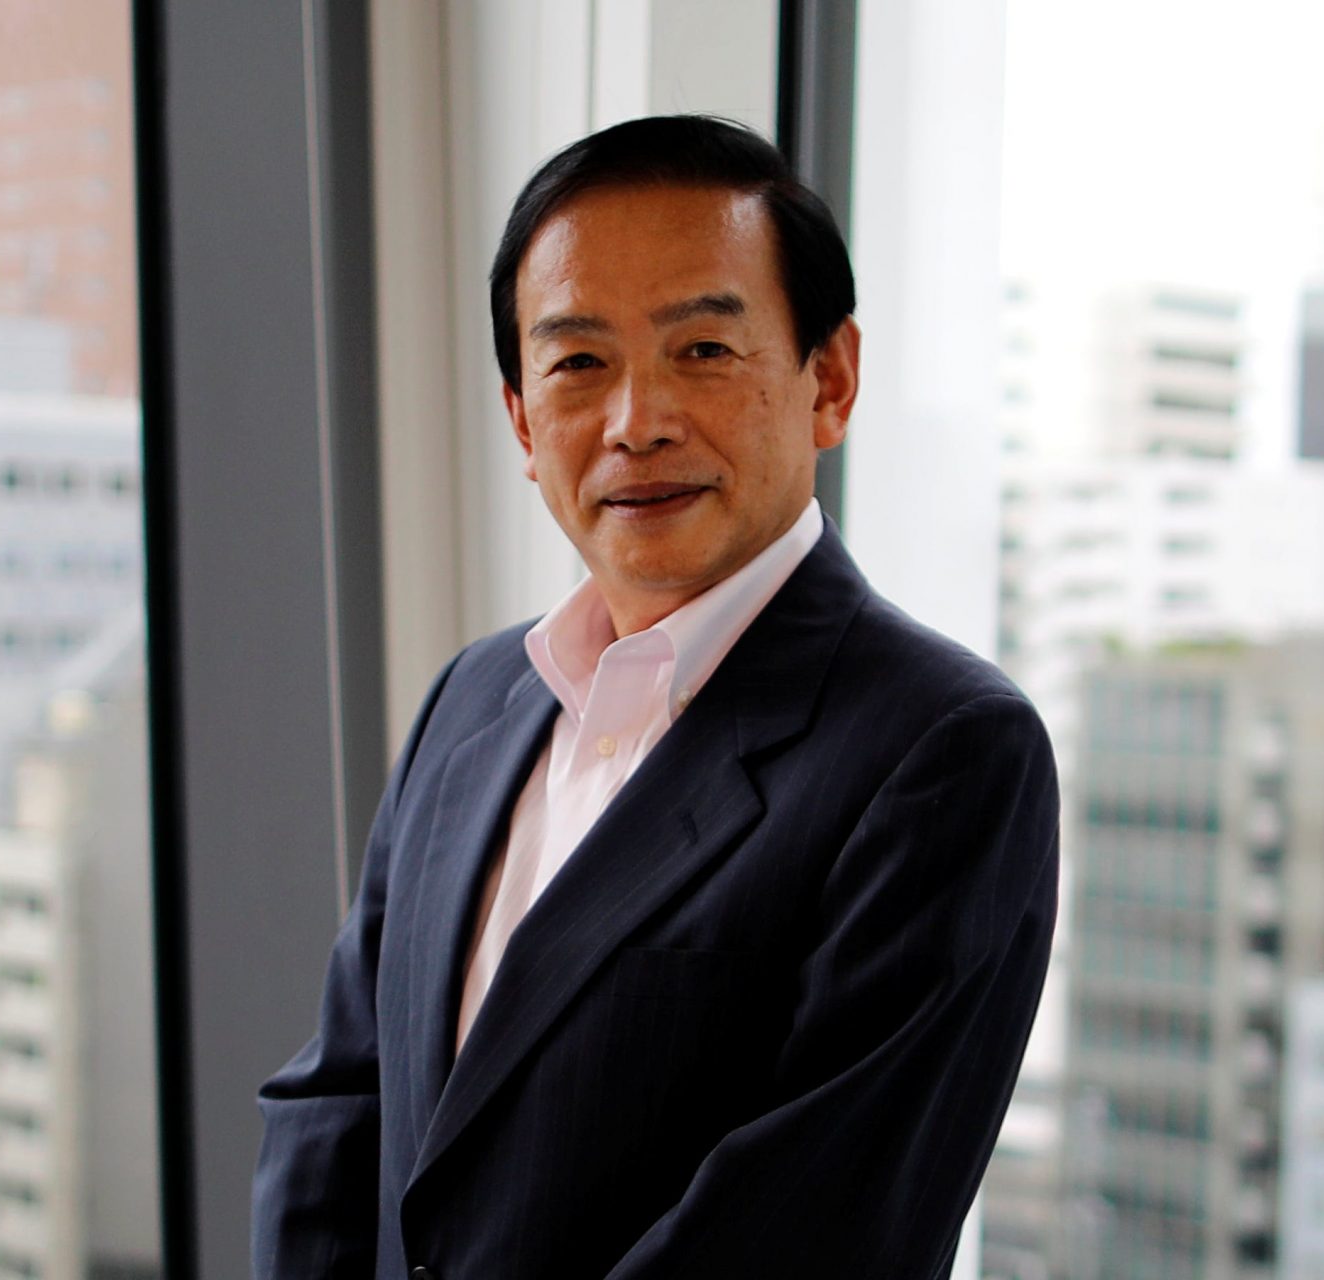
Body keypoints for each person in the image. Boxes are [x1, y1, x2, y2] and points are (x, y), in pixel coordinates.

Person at [252, 114, 1058, 1280]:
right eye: (579, 362)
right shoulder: (473, 701)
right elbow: (337, 1097)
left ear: (828, 381)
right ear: (523, 421)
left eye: (704, 350)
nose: (637, 420)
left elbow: (805, 1239)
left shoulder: (942, 749)